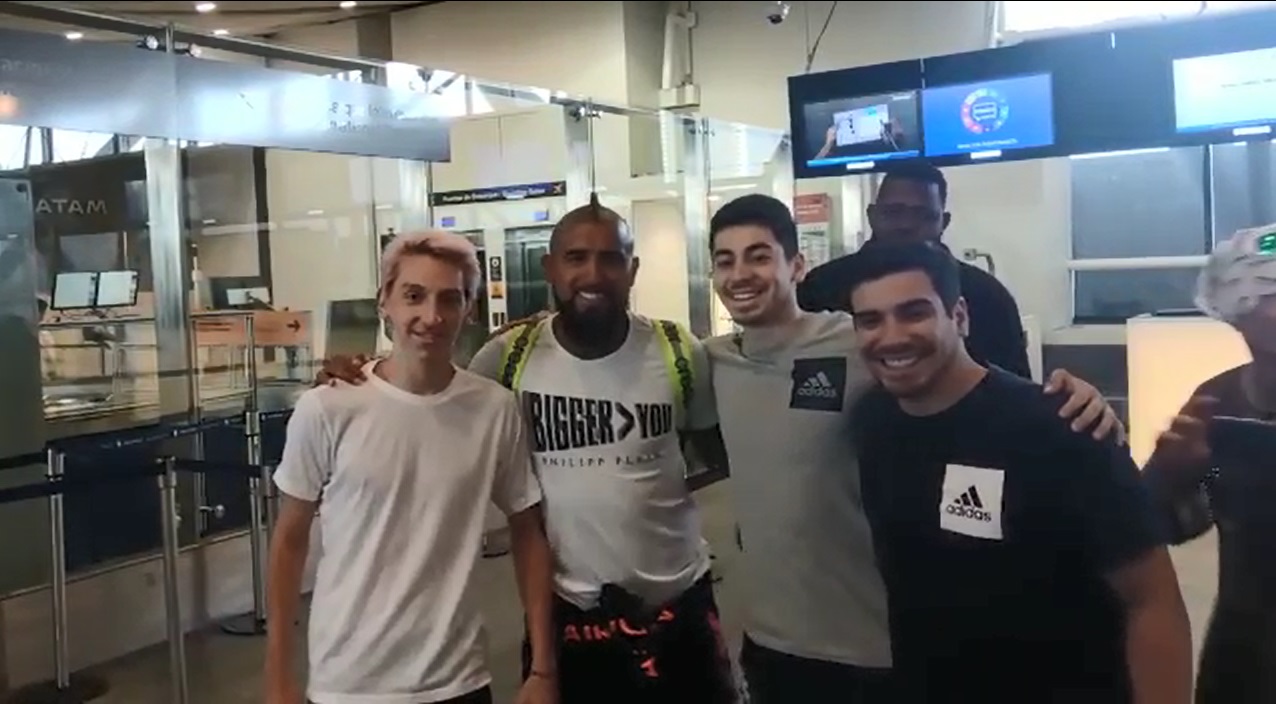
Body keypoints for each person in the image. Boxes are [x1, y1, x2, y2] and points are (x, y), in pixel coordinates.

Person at [705, 193, 1122, 703]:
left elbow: (966, 380)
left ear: (796, 265)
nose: (741, 274)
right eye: (725, 261)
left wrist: (1065, 398)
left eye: (759, 256)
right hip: (770, 642)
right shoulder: (712, 362)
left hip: (875, 645)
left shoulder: (858, 338)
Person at [318, 200, 737, 704]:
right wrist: (361, 374)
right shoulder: (508, 355)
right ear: (550, 268)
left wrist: (643, 491)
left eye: (611, 258)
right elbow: (434, 399)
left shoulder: (676, 350)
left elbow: (715, 451)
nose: (593, 273)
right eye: (576, 257)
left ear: (633, 270)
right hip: (570, 611)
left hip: (677, 603)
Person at [846, 241, 1192, 703]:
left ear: (960, 316)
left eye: (914, 312)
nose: (891, 337)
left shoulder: (1059, 426)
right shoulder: (871, 422)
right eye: (871, 320)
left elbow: (1152, 601)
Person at [265, 231, 557, 704]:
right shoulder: (328, 408)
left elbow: (528, 531)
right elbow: (289, 541)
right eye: (414, 296)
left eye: (450, 299)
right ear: (385, 302)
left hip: (458, 679)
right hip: (349, 684)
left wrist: (543, 667)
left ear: (470, 307)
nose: (431, 317)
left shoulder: (493, 410)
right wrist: (278, 677)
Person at [1143, 224, 1276, 704]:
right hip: (1247, 654)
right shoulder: (1217, 402)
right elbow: (1167, 526)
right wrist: (1172, 475)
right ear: (1237, 313)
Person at [798, 159, 1033, 378]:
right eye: (894, 212)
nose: (906, 225)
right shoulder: (823, 287)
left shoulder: (986, 296)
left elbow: (1018, 392)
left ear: (944, 221)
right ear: (872, 215)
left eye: (923, 215)